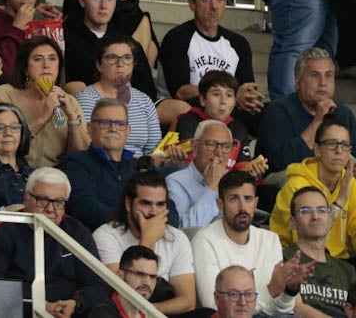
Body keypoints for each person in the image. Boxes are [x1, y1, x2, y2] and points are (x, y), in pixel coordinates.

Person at [0, 166, 105, 314]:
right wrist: (39, 306)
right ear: (26, 198)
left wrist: (76, 304)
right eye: (42, 200)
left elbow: (98, 284)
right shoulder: (3, 231)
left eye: (58, 202)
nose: (50, 209)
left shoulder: (77, 232)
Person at [270, 114, 356, 258]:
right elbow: (307, 243)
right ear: (317, 149)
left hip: (337, 265)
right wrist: (339, 202)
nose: (339, 150)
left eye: (345, 145)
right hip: (295, 260)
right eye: (331, 143)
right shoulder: (297, 186)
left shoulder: (350, 184)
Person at [192, 170, 302, 314]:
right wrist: (269, 291)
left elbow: (281, 310)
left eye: (248, 199)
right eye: (233, 199)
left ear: (256, 202)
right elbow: (214, 306)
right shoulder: (205, 239)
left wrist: (289, 291)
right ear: (220, 204)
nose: (242, 207)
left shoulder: (270, 240)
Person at [92, 170, 196, 315]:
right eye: (146, 204)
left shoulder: (177, 237)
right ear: (128, 204)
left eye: (160, 205)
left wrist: (145, 313)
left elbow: (187, 301)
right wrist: (148, 240)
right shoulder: (106, 235)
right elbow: (120, 292)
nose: (154, 212)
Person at [159, 0, 262, 117]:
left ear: (225, 3)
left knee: (270, 113)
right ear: (192, 4)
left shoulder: (239, 44)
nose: (213, 6)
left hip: (229, 112)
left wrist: (248, 96)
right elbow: (181, 92)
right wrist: (226, 96)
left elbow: (246, 89)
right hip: (189, 112)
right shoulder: (177, 38)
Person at [0, 34, 88, 169]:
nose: (46, 65)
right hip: (13, 171)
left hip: (55, 177)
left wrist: (72, 118)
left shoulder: (69, 100)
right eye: (37, 59)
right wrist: (43, 118)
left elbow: (83, 154)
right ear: (25, 69)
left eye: (52, 59)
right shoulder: (5, 94)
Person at [262, 49, 356, 171]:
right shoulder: (278, 110)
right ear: (298, 83)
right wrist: (318, 121)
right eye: (315, 75)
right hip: (287, 179)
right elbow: (280, 164)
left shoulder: (343, 113)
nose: (323, 83)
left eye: (328, 75)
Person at [63, 0, 157, 97]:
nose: (104, 5)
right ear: (82, 1)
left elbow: (147, 90)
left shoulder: (126, 42)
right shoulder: (65, 37)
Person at [61, 97, 143, 231]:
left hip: (143, 233)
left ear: (128, 131)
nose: (113, 128)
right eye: (105, 123)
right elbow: (85, 207)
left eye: (120, 124)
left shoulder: (139, 167)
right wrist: (130, 224)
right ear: (90, 128)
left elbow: (168, 206)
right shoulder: (76, 163)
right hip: (99, 238)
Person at [76, 33, 165, 156]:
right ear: (99, 65)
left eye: (127, 58)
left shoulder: (144, 100)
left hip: (141, 169)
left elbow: (154, 149)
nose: (121, 64)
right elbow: (86, 145)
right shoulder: (87, 99)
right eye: (112, 58)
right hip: (103, 167)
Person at [280, 186, 356, 318]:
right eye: (306, 211)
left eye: (322, 210)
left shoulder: (347, 271)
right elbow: (294, 307)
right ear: (293, 222)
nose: (315, 217)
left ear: (330, 219)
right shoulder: (282, 258)